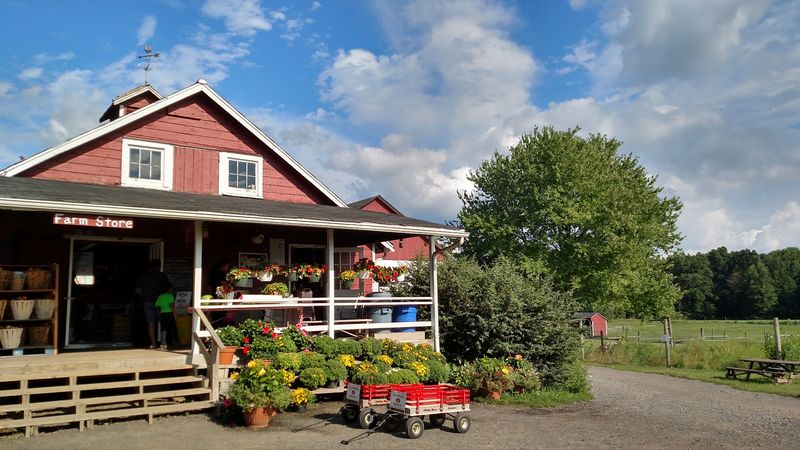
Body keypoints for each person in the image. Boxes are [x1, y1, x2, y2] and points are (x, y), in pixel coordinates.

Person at [136, 259, 170, 349]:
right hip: (160, 303)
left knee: (151, 324)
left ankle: (153, 343)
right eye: (159, 266)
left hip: (147, 302)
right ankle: (163, 343)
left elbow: (138, 290)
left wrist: (143, 299)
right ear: (157, 266)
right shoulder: (162, 275)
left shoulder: (143, 276)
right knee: (162, 323)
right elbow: (167, 287)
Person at [155, 281, 178, 350]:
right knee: (172, 328)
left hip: (162, 314)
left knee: (163, 329)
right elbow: (171, 305)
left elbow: (157, 306)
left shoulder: (160, 296)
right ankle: (175, 343)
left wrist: (159, 313)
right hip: (169, 313)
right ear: (169, 289)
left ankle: (163, 344)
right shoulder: (170, 296)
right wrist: (175, 314)